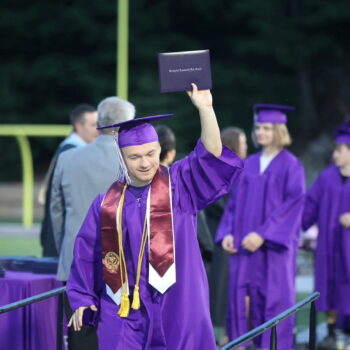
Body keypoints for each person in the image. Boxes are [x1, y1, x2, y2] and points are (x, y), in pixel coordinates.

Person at [66, 84, 243, 350]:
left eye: (151, 153)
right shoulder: (105, 204)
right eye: (134, 157)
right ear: (122, 158)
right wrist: (82, 298)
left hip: (178, 302)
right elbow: (86, 254)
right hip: (126, 310)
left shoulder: (180, 185)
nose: (145, 163)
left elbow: (210, 155)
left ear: (160, 150)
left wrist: (206, 109)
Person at [217, 104, 305, 350]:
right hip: (245, 247)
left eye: (266, 128)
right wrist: (227, 233)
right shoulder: (249, 164)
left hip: (273, 251)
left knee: (274, 301)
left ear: (279, 130)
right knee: (239, 300)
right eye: (258, 127)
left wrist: (263, 234)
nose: (260, 132)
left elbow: (293, 205)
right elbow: (233, 204)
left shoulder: (291, 165)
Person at [50, 97, 135, 350]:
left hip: (74, 263)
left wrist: (66, 249)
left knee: (79, 338)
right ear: (127, 123)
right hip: (124, 264)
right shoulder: (132, 162)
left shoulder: (68, 158)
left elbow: (56, 213)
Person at [302, 120, 350, 350]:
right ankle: (331, 334)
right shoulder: (326, 177)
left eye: (340, 150)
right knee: (329, 286)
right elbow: (309, 207)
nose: (335, 153)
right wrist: (295, 231)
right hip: (329, 245)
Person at [206, 126, 248, 345]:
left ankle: (228, 333)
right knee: (220, 285)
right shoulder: (221, 169)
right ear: (233, 145)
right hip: (219, 233)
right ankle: (219, 334)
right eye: (243, 143)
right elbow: (222, 202)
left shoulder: (235, 169)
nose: (247, 147)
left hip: (228, 232)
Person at [39, 104, 98, 257]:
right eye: (93, 125)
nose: (97, 129)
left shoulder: (70, 150)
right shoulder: (71, 151)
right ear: (79, 126)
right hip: (64, 233)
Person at [156, 124, 214, 276]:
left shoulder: (132, 188)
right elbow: (203, 237)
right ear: (171, 154)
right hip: (182, 268)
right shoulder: (181, 186)